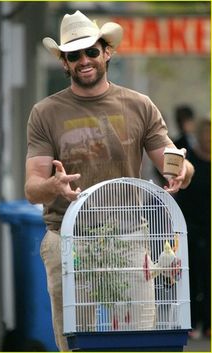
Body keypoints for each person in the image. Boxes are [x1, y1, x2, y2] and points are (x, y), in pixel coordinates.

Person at [24, 11, 195, 351]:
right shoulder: (45, 112)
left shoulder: (139, 105)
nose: (84, 60)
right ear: (65, 62)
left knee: (138, 342)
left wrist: (182, 173)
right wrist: (54, 186)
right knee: (76, 344)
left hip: (129, 238)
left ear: (107, 52)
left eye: (91, 51)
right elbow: (32, 188)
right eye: (74, 55)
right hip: (69, 239)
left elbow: (173, 162)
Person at [175, 118, 211, 339]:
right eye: (205, 134)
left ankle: (208, 323)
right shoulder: (191, 161)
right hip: (191, 226)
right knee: (191, 275)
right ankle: (191, 322)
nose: (208, 139)